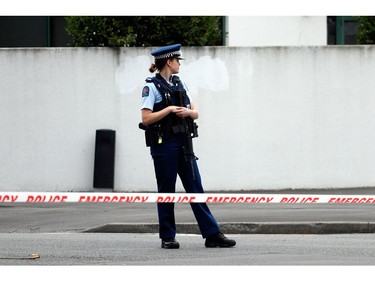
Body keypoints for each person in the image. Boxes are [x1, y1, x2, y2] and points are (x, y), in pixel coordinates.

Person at [139, 43, 236, 249]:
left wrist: (189, 113)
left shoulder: (179, 83)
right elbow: (146, 118)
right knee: (166, 191)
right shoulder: (152, 86)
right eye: (177, 61)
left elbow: (195, 109)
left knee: (195, 188)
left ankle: (212, 234)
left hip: (184, 143)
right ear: (169, 61)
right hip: (164, 145)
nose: (179, 65)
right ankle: (168, 236)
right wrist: (169, 110)